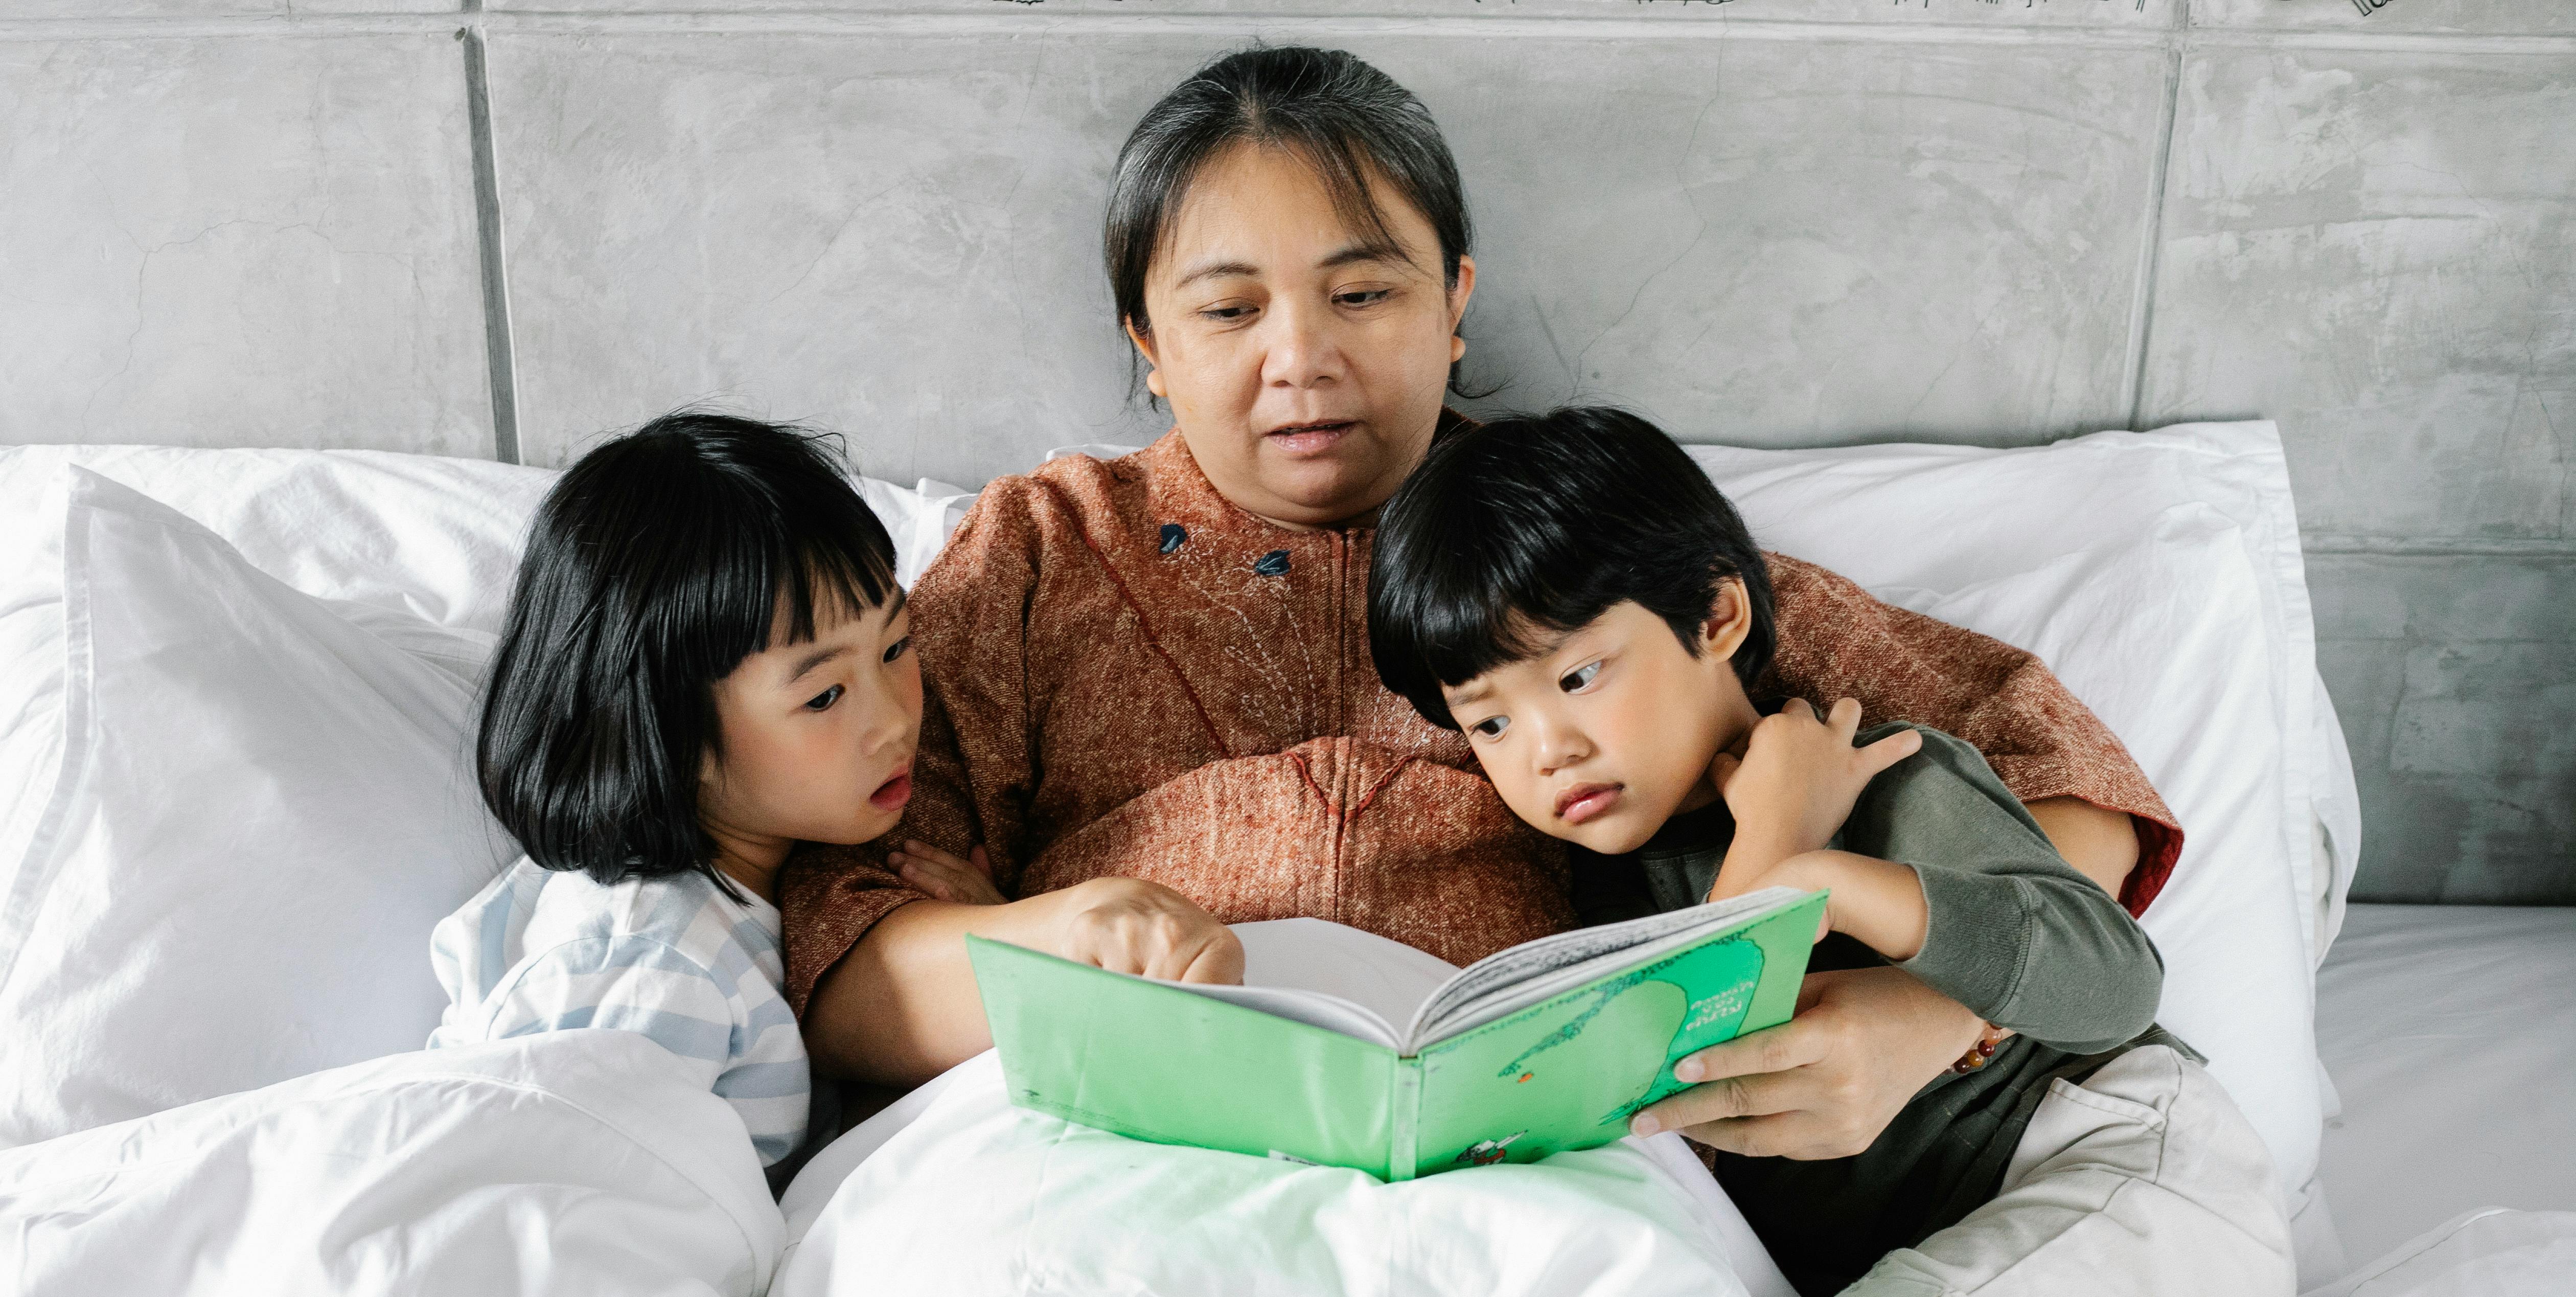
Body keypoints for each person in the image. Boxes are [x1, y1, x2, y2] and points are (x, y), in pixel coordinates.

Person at [785, 46, 2181, 1189]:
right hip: (1107, 1147)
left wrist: (1918, 1025)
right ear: (1149, 348)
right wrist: (1076, 941)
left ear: (1455, 303)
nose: (1301, 363)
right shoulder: (1044, 550)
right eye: (1226, 313)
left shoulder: (1574, 532)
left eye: (1363, 293)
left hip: (1531, 1168)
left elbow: (2066, 775)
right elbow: (849, 952)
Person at [1366, 404, 2489, 1297]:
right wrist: (1767, 846)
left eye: (1575, 678)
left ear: (1719, 618)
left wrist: (1837, 873)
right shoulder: (1603, 894)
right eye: (1488, 725)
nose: (1544, 750)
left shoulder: (1896, 780)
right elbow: (1694, 1073)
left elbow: (2114, 972)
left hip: (2139, 1183)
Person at [429, 412, 996, 1172]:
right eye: (825, 697)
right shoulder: (647, 963)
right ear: (671, 730)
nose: (895, 721)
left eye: (897, 647)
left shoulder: (773, 883)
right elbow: (582, 1229)